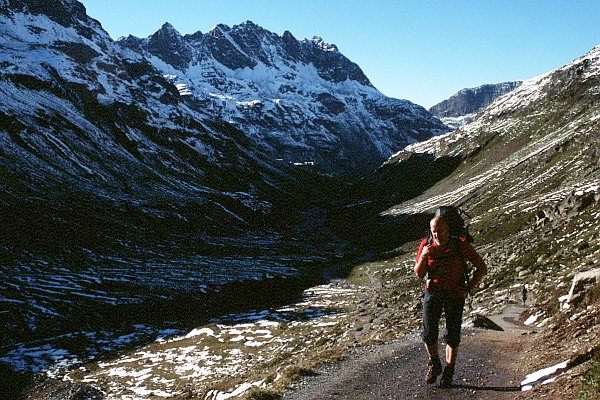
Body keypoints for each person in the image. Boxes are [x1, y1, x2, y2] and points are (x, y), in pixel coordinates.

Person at [414, 215, 488, 387]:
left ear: (448, 230)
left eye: (440, 231)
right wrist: (424, 256)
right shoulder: (426, 245)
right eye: (434, 232)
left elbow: (481, 267)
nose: (437, 235)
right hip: (433, 293)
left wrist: (469, 287)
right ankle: (435, 363)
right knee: (428, 334)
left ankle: (449, 371)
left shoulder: (459, 245)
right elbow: (418, 273)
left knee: (452, 336)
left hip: (455, 295)